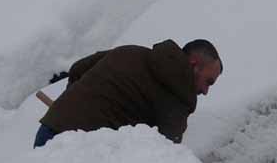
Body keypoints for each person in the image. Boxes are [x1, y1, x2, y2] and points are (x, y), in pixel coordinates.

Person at [34, 39, 223, 148]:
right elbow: (165, 153)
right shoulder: (178, 97)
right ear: (194, 65)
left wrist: (72, 108)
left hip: (50, 129)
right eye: (208, 82)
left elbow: (78, 69)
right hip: (78, 153)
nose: (205, 91)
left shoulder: (132, 51)